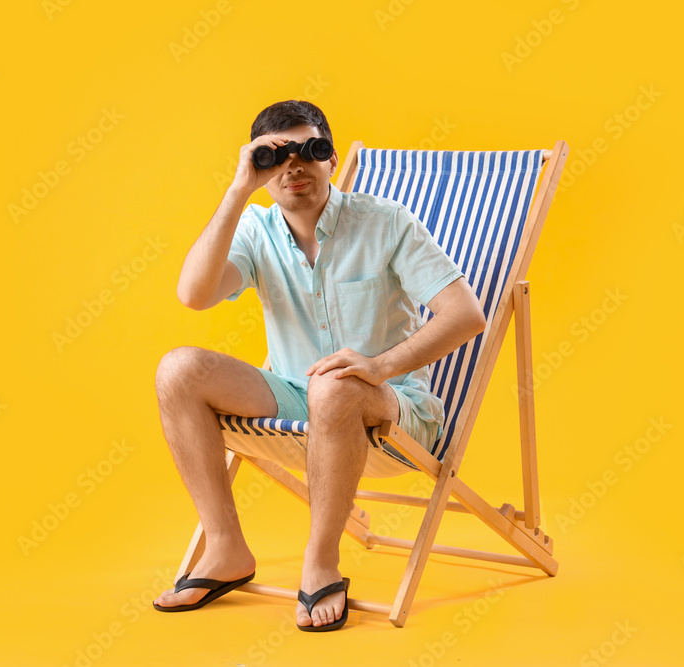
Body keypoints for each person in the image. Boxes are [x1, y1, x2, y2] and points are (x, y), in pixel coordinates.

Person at [153, 100, 486, 631]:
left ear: (331, 157)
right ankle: (225, 547)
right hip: (297, 398)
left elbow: (466, 316)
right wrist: (238, 190)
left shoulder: (384, 222)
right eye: (274, 158)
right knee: (177, 369)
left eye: (310, 151)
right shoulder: (256, 231)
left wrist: (378, 366)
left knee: (334, 386)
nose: (294, 167)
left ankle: (320, 560)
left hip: (394, 412)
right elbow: (193, 294)